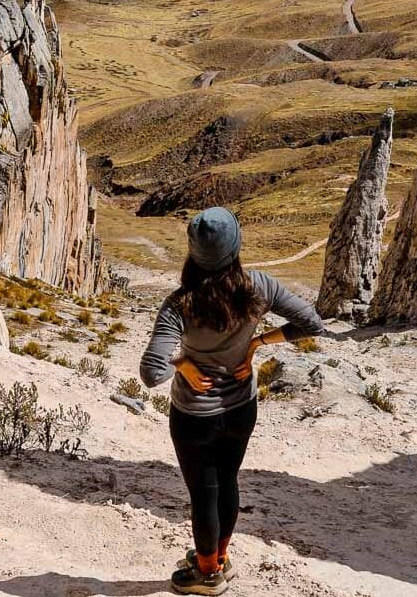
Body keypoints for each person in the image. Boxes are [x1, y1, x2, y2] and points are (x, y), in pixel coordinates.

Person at [140, 207, 326, 595]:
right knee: (227, 480)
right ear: (236, 249)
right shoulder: (258, 287)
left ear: (193, 255)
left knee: (204, 490)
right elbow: (313, 323)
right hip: (242, 408)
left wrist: (183, 364)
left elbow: (150, 372)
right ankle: (219, 558)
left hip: (195, 415)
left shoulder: (180, 304)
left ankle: (207, 573)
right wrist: (258, 342)